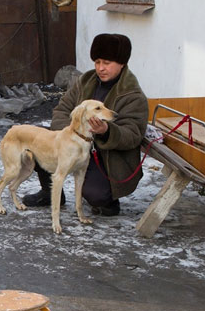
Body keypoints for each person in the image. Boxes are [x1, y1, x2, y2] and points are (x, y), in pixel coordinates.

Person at [23, 33, 149, 216]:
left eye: (107, 62)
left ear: (122, 63)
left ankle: (108, 200)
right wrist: (71, 136)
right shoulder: (85, 81)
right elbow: (62, 110)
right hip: (75, 146)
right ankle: (49, 192)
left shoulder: (133, 95)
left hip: (108, 159)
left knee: (97, 196)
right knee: (37, 145)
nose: (100, 68)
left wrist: (106, 131)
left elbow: (133, 134)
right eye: (97, 62)